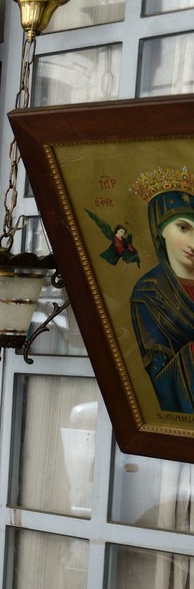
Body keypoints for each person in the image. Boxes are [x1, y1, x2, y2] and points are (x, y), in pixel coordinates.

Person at [127, 166, 194, 413]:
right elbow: (160, 373)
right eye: (183, 228)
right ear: (160, 228)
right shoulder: (148, 294)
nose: (193, 243)